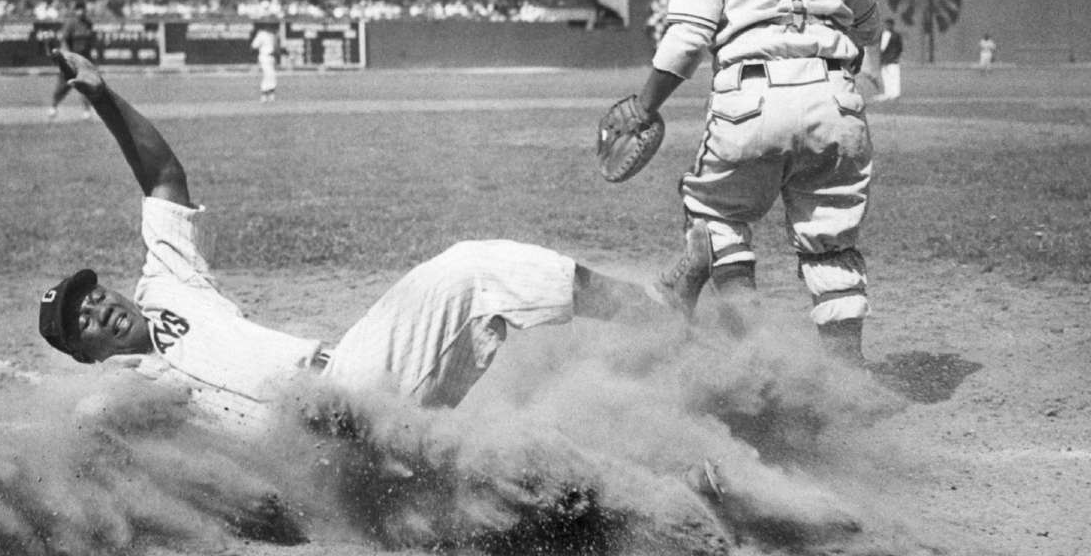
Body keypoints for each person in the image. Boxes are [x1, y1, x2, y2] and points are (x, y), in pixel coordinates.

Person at [38, 49, 673, 421]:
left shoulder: (168, 284)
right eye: (83, 320)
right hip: (319, 457)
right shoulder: (119, 403)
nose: (100, 308)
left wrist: (105, 98)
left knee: (473, 270)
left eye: (93, 296)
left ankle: (655, 317)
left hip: (353, 387)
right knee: (489, 461)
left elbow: (163, 179)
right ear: (80, 353)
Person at [624, 0, 881, 363]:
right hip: (835, 96)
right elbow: (867, 27)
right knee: (831, 246)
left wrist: (646, 107)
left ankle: (759, 365)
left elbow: (688, 37)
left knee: (716, 219)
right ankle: (846, 386)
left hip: (752, 92)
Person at [50, 1, 97, 119]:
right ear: (75, 11)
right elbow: (64, 40)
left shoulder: (88, 23)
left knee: (86, 86)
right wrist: (67, 57)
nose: (80, 12)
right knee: (63, 86)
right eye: (78, 9)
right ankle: (53, 106)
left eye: (82, 9)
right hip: (71, 60)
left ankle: (86, 110)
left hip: (84, 60)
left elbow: (90, 41)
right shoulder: (70, 23)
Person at [874, 17, 904, 101]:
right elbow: (881, 48)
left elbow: (899, 48)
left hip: (893, 60)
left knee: (894, 76)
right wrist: (881, 60)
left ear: (892, 25)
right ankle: (888, 93)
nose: (886, 26)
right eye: (885, 24)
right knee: (886, 77)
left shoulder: (896, 35)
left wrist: (895, 57)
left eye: (888, 24)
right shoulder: (882, 34)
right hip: (884, 60)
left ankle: (895, 94)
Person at [250, 25, 280, 103]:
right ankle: (264, 95)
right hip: (265, 56)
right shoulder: (262, 34)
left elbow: (276, 47)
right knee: (268, 74)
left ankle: (270, 95)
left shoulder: (273, 34)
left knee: (272, 75)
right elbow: (254, 46)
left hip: (272, 57)